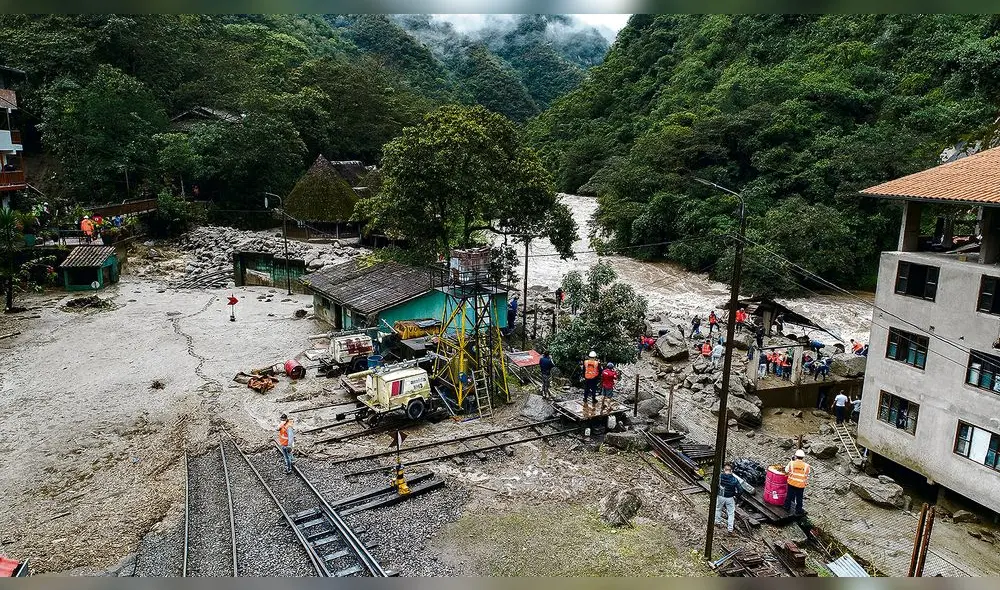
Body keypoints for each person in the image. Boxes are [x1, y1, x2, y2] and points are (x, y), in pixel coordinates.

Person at [783, 449, 812, 516]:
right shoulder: (806, 466)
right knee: (799, 498)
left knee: (789, 495)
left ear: (796, 456)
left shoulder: (792, 463)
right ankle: (798, 510)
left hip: (791, 482)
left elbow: (786, 470)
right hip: (800, 484)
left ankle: (787, 507)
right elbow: (808, 473)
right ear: (803, 457)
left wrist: (791, 461)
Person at [715, 463, 740, 533]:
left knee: (718, 509)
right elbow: (740, 490)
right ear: (731, 470)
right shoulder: (735, 479)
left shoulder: (720, 477)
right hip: (730, 497)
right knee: (731, 513)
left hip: (720, 496)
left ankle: (717, 522)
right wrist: (736, 495)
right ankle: (730, 529)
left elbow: (714, 484)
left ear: (724, 469)